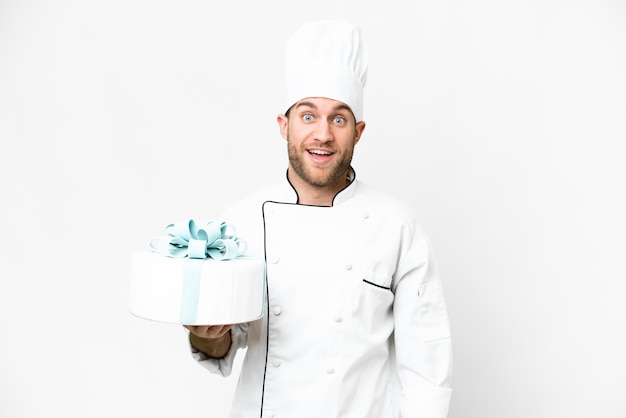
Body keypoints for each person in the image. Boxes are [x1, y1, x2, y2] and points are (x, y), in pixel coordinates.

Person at [184, 19, 453, 417]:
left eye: (338, 119)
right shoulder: (240, 221)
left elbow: (427, 371)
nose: (323, 135)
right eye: (308, 116)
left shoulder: (396, 227)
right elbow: (224, 343)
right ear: (284, 126)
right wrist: (208, 336)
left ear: (358, 132)